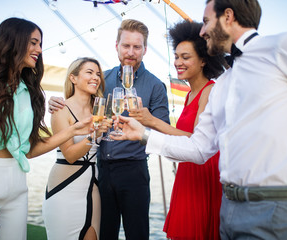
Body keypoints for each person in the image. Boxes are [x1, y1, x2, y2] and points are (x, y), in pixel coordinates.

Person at [111, 0, 287, 239]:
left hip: (278, 207)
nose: (202, 31)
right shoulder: (223, 84)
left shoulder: (282, 47)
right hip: (228, 209)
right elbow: (199, 148)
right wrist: (142, 134)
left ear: (228, 17)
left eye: (206, 21)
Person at [0, 18, 92, 240]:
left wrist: (73, 130)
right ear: (13, 41)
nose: (39, 49)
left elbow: (27, 150)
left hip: (17, 183)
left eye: (40, 43)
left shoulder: (28, 90)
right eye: (33, 42)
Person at [48, 19, 170, 240]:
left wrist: (147, 121)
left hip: (134, 171)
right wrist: (57, 102)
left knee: (138, 235)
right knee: (105, 235)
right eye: (126, 45)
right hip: (100, 171)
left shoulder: (155, 86)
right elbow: (79, 104)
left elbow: (164, 134)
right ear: (116, 46)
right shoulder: (101, 79)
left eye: (137, 46)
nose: (131, 52)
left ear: (145, 49)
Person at [129, 20, 225, 239]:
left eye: (185, 57)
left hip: (202, 175)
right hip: (187, 171)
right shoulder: (190, 94)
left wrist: (152, 121)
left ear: (203, 60)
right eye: (177, 56)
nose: (178, 62)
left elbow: (196, 140)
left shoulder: (210, 91)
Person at [42, 57, 109, 240]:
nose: (95, 77)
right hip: (65, 188)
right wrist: (93, 136)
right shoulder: (61, 109)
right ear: (73, 78)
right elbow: (70, 155)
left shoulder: (100, 109)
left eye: (98, 74)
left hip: (93, 189)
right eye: (89, 72)